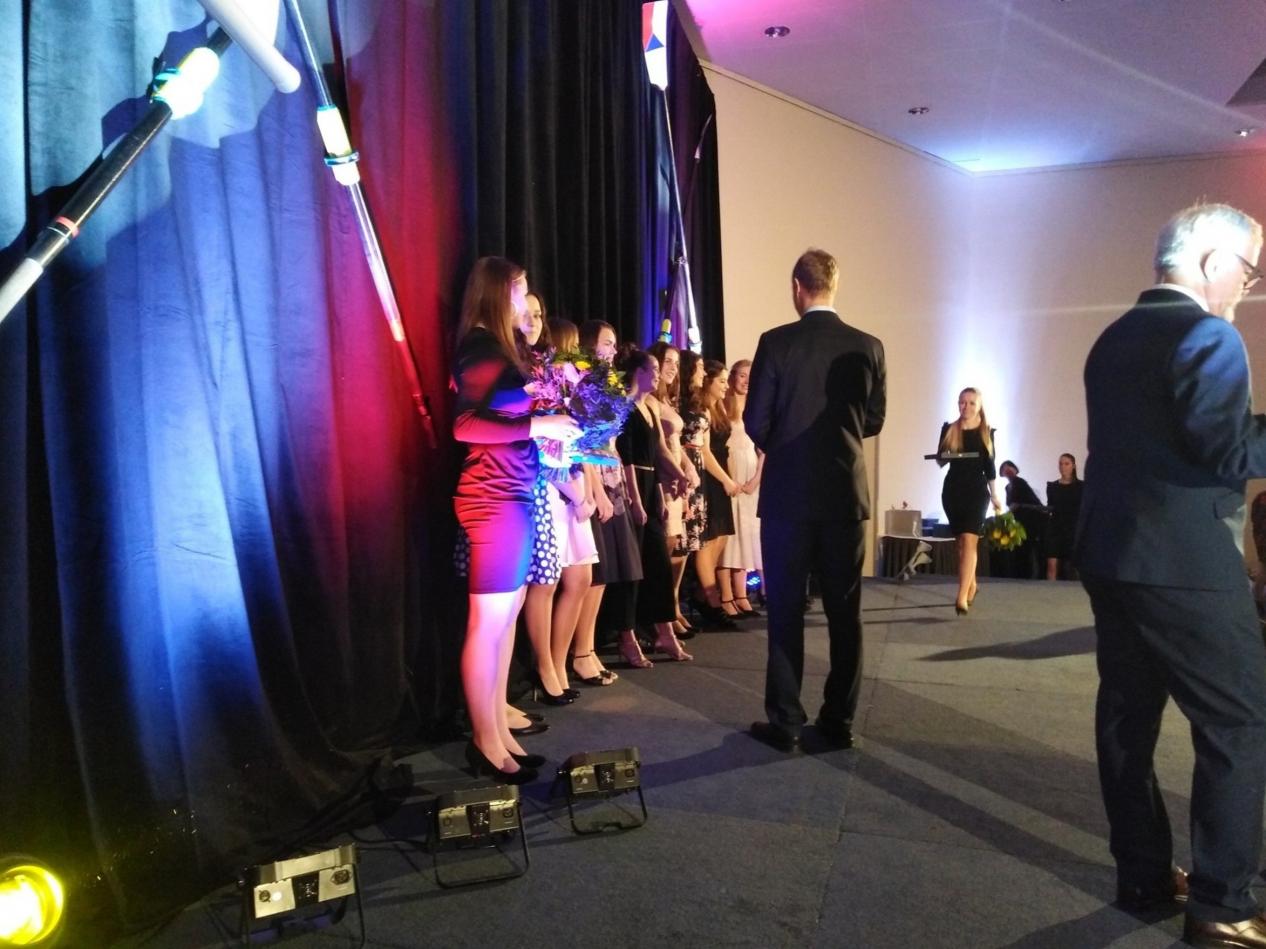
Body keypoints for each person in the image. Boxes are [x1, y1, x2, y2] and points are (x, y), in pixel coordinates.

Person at [1076, 202, 1266, 947]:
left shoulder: (1112, 337)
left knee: (1127, 717)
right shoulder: (1211, 335)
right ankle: (1223, 904)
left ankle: (1145, 874)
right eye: (1248, 270)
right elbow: (1225, 450)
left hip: (1109, 552)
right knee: (1239, 721)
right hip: (1184, 561)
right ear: (1212, 261)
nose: (1248, 286)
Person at [744, 248, 885, 753]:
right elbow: (874, 420)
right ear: (834, 286)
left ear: (797, 287)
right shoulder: (869, 346)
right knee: (846, 614)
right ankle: (838, 721)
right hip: (845, 496)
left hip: (787, 497)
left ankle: (785, 722)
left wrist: (784, 448)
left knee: (785, 610)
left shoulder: (776, 343)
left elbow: (755, 420)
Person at [451, 257, 577, 784]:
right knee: (489, 624)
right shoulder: (480, 346)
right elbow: (465, 425)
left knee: (501, 624)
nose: (525, 300)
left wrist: (546, 426)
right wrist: (538, 425)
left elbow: (508, 417)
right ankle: (485, 741)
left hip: (515, 493)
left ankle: (497, 732)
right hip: (494, 497)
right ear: (496, 292)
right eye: (519, 290)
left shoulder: (500, 348)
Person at [614, 348, 692, 663]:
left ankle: (664, 632)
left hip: (650, 486)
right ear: (639, 372)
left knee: (658, 562)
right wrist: (635, 499)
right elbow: (628, 458)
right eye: (655, 368)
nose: (659, 374)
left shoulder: (649, 408)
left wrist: (673, 482)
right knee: (633, 567)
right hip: (632, 486)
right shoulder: (625, 407)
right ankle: (627, 636)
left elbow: (658, 452)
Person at [937, 388, 1003, 614]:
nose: (966, 407)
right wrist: (945, 453)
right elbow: (940, 460)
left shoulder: (986, 432)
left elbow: (990, 467)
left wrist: (995, 495)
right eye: (962, 402)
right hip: (953, 490)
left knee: (969, 540)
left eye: (971, 403)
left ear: (979, 406)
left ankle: (961, 597)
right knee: (960, 544)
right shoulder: (949, 429)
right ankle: (971, 584)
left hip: (976, 491)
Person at [719, 359, 764, 614]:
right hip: (731, 475)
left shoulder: (756, 408)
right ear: (733, 377)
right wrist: (728, 479)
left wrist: (757, 478)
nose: (746, 381)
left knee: (747, 535)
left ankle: (741, 593)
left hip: (751, 479)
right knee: (730, 538)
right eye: (742, 375)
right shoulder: (723, 407)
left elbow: (764, 449)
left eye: (750, 376)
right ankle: (727, 595)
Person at [999, 460, 1046, 580]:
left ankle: (1031, 574)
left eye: (1009, 468)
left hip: (1030, 520)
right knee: (1023, 548)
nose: (1008, 471)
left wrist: (1016, 507)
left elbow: (1027, 500)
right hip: (1019, 521)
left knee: (1030, 547)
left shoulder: (1020, 482)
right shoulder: (1007, 487)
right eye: (1005, 469)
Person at [1044, 453, 1083, 581]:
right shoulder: (1052, 486)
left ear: (1073, 466)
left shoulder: (1082, 486)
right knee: (1051, 565)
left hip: (1073, 529)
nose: (1063, 467)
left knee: (1073, 567)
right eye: (1060, 464)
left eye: (1066, 464)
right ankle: (1050, 591)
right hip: (1056, 529)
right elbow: (1050, 506)